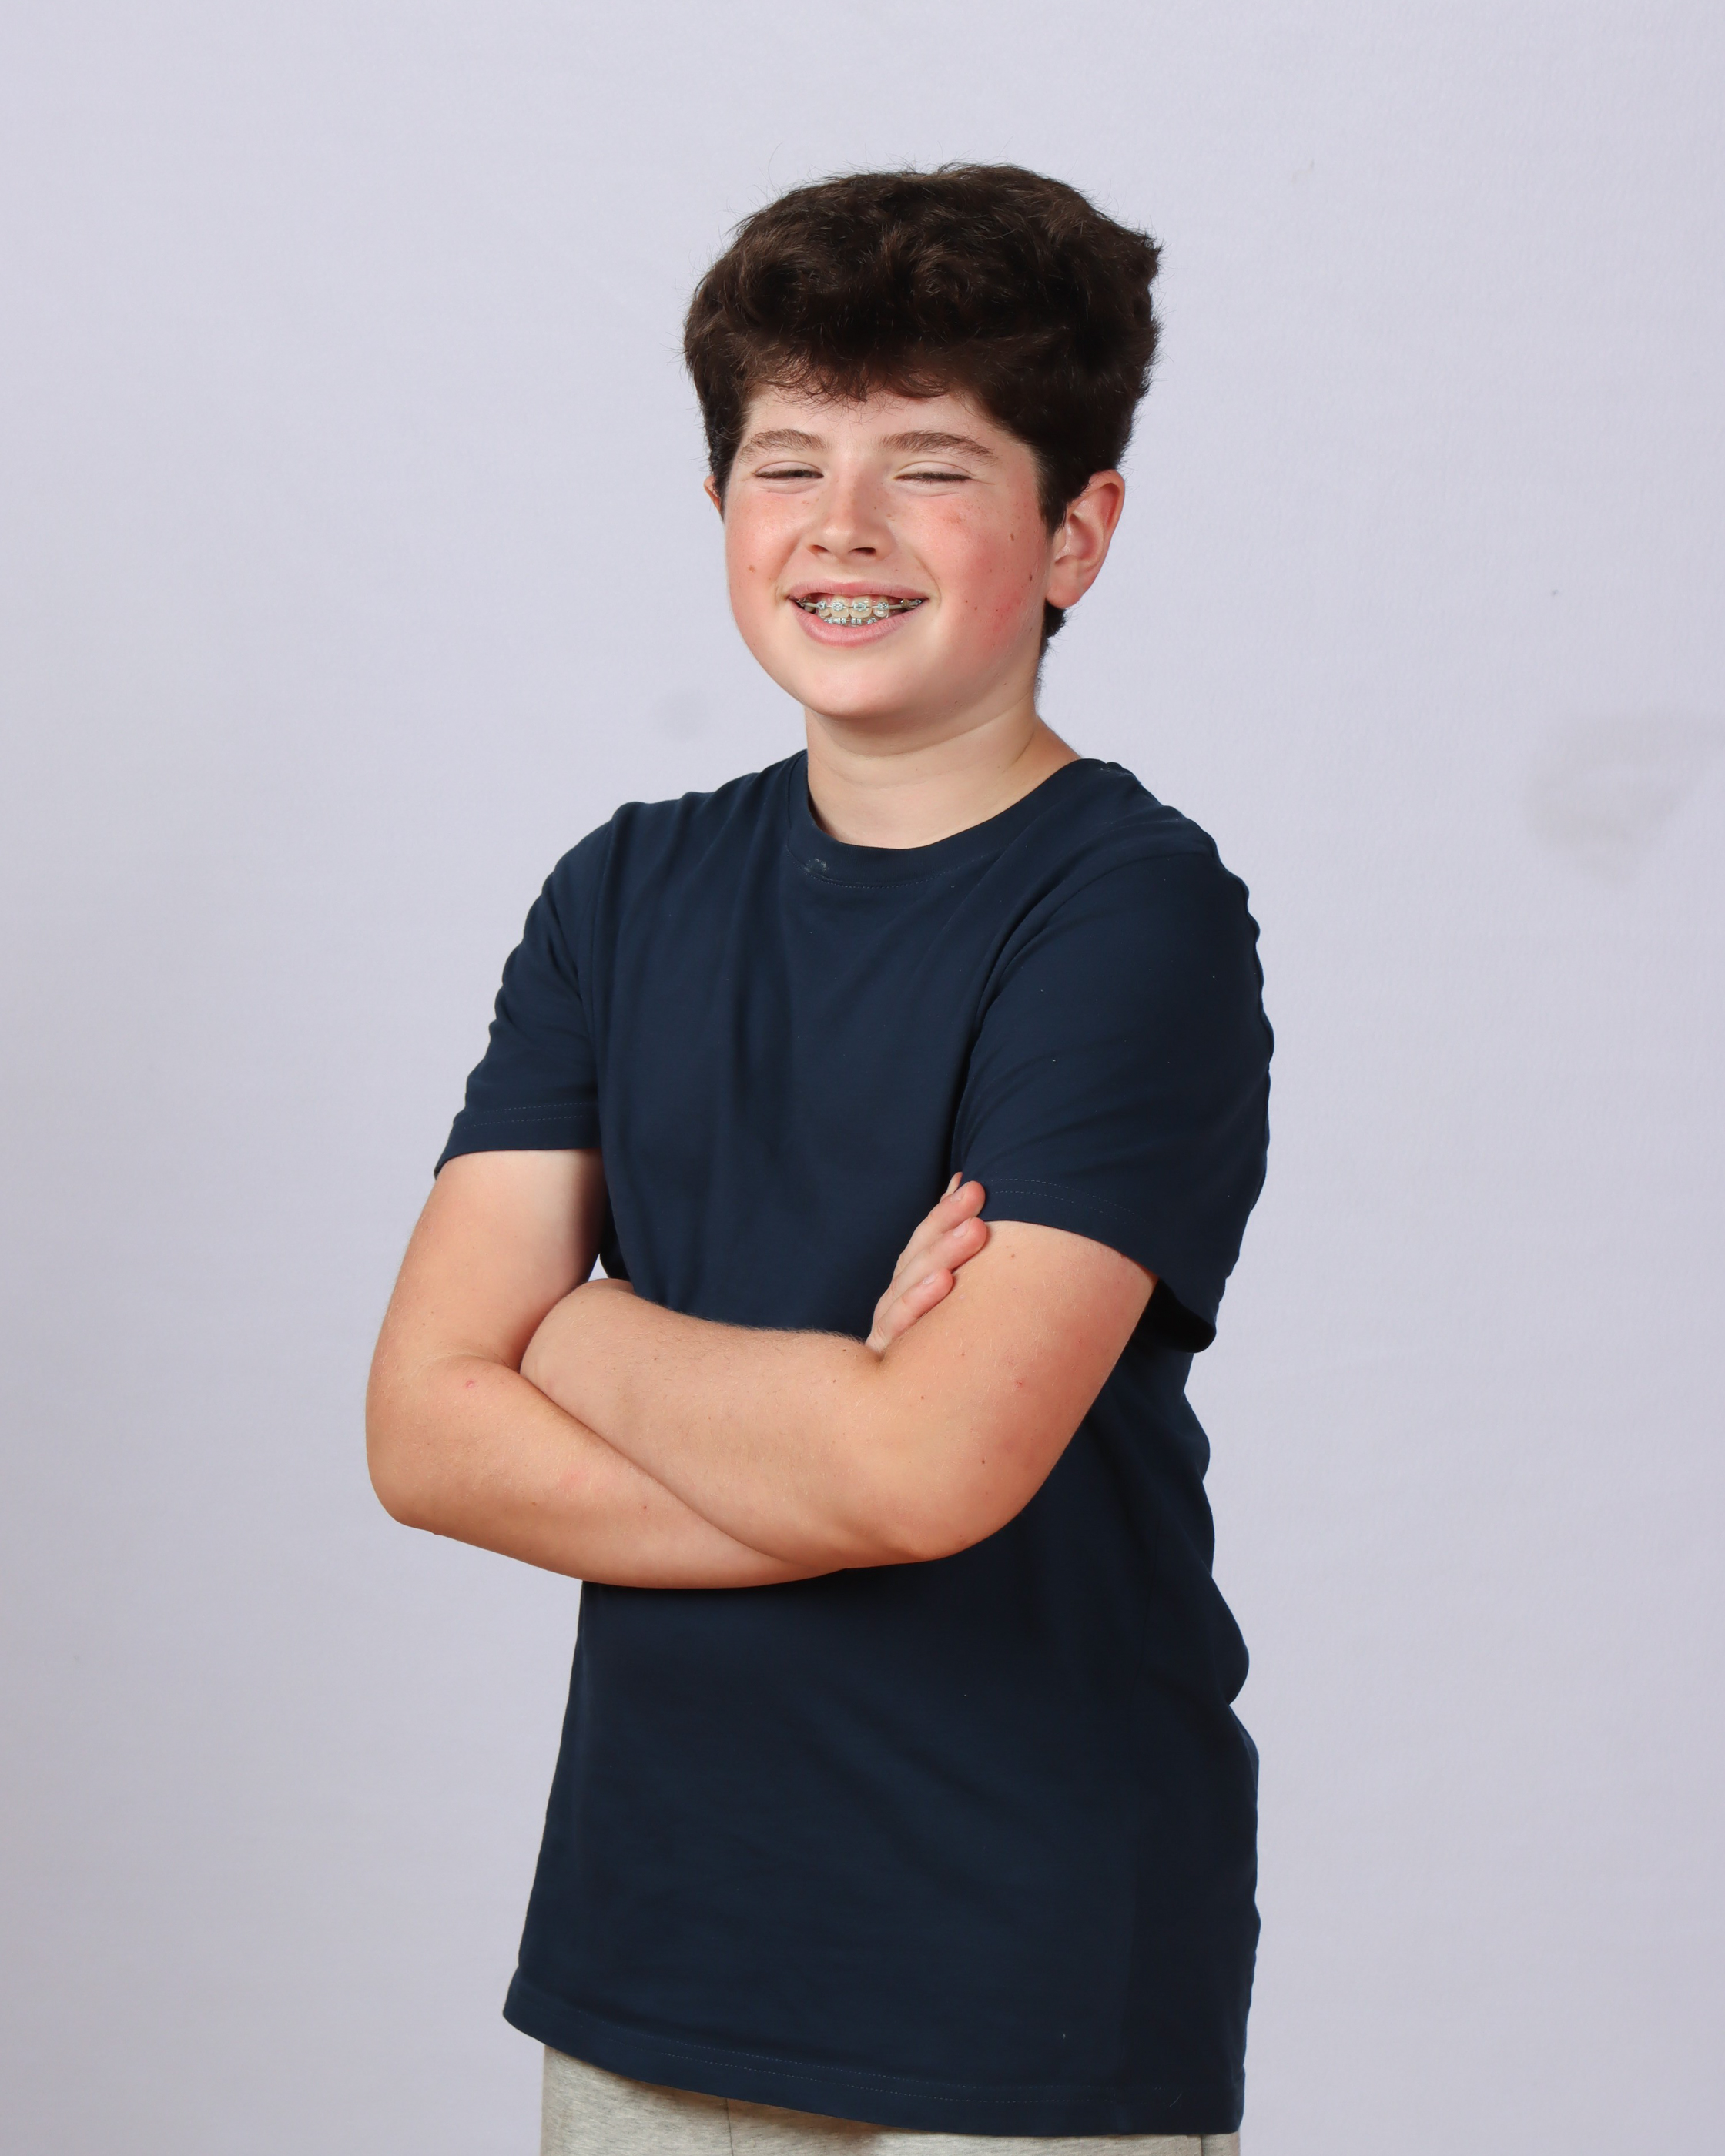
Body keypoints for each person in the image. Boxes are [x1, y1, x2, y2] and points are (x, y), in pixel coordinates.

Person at [367, 163, 1272, 2156]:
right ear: (721, 507)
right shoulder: (619, 896)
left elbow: (930, 1468)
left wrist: (576, 1333)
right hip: (656, 1948)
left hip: (1023, 1974)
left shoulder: (1131, 916)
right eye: (789, 464)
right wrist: (842, 1437)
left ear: (1076, 532)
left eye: (932, 467)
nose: (844, 527)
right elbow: (422, 1433)